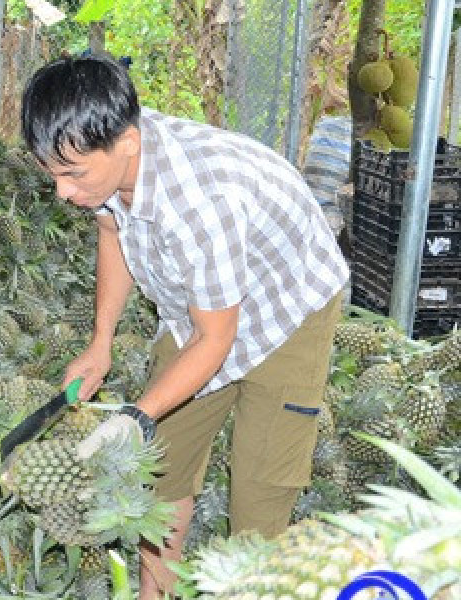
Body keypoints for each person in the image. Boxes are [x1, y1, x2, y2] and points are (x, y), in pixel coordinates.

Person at [20, 56, 347, 598]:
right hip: (198, 304)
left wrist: (135, 415)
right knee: (161, 468)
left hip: (287, 309)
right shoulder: (107, 173)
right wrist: (99, 343)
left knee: (260, 492)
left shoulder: (199, 203)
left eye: (72, 174)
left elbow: (215, 340)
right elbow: (112, 236)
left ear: (126, 140)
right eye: (52, 174)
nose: (62, 192)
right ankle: (157, 593)